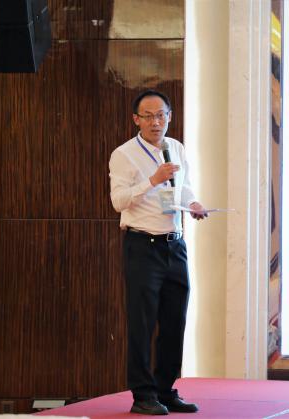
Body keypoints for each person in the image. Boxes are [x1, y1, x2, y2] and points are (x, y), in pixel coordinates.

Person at [109, 89, 207, 415]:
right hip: (143, 246)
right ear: (136, 119)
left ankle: (166, 390)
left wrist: (193, 203)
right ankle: (143, 395)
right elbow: (118, 201)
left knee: (174, 321)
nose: (156, 122)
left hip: (174, 245)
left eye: (161, 115)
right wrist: (152, 180)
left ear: (170, 116)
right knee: (142, 323)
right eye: (148, 116)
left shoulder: (175, 147)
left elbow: (184, 186)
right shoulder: (123, 154)